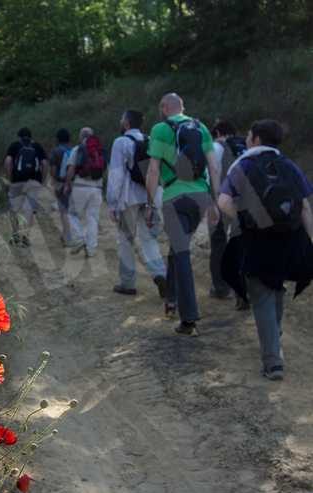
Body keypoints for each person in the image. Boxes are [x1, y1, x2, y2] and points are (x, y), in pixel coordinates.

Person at [218, 119, 313, 380]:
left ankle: (273, 362)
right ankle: (275, 336)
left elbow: (224, 201)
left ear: (257, 139)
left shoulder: (244, 165)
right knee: (276, 286)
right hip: (289, 238)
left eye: (249, 136)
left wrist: (247, 218)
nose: (247, 140)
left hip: (257, 240)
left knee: (261, 295)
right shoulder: (289, 165)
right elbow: (304, 206)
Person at [145, 93, 222, 336]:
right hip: (200, 196)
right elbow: (214, 166)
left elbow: (153, 170)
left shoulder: (160, 129)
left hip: (174, 197)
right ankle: (171, 299)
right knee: (177, 249)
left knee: (181, 254)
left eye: (160, 107)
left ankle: (188, 320)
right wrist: (215, 202)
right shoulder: (200, 127)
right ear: (183, 108)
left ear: (165, 107)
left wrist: (149, 204)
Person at [107, 110, 167, 297]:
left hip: (129, 198)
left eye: (121, 119)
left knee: (126, 240)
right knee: (149, 238)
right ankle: (160, 275)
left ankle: (128, 283)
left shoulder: (121, 142)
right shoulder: (150, 140)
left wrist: (112, 203)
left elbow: (116, 174)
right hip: (151, 196)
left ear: (126, 124)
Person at [210, 120, 249, 309]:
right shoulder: (246, 146)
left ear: (217, 132)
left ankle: (221, 287)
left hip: (225, 198)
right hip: (249, 200)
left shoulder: (216, 147)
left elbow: (213, 173)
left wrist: (213, 201)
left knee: (219, 241)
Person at [64, 127, 105, 258]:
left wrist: (67, 184)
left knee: (72, 214)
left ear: (81, 137)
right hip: (97, 187)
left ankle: (79, 239)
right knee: (92, 218)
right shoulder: (100, 150)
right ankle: (91, 248)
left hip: (80, 185)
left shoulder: (77, 149)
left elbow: (71, 168)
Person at [4, 127, 49, 247]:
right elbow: (44, 163)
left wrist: (10, 179)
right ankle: (25, 237)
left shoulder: (14, 146)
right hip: (34, 182)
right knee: (29, 209)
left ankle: (15, 235)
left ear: (19, 136)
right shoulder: (37, 146)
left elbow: (8, 161)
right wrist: (42, 180)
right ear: (31, 136)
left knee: (14, 208)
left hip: (17, 181)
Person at [49, 128, 77, 247]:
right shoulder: (74, 150)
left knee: (63, 210)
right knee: (72, 210)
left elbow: (53, 169)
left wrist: (54, 180)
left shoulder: (56, 151)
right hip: (75, 183)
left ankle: (69, 238)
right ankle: (66, 234)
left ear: (57, 139)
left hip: (61, 182)